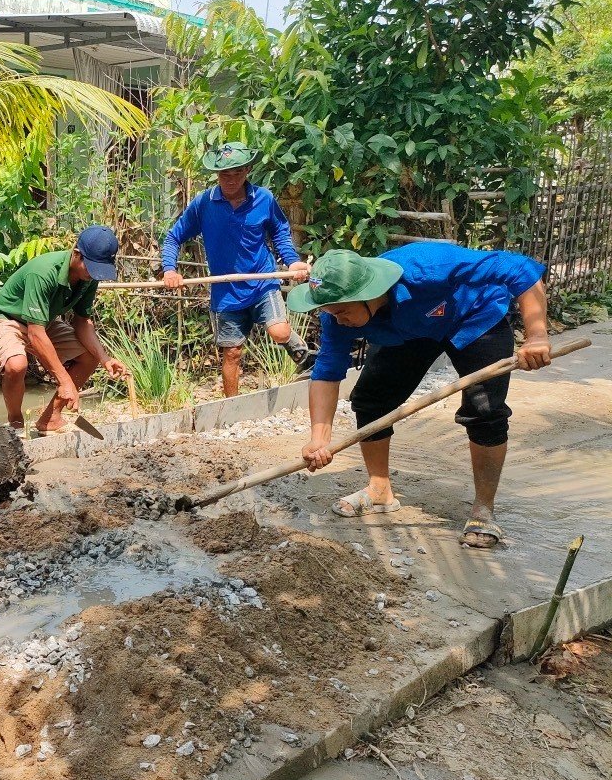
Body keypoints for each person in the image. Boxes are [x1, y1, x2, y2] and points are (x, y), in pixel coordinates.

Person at [288, 244, 551, 548]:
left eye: (342, 311)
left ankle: (483, 509)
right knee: (372, 399)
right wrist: (319, 439)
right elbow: (327, 372)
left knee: (485, 411)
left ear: (368, 294)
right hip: (411, 331)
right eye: (330, 312)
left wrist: (536, 336)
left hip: (474, 317)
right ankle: (379, 491)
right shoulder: (336, 314)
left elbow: (520, 269)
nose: (337, 319)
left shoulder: (427, 268)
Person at [160, 142, 313, 397]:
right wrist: (169, 270)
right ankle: (232, 405)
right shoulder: (204, 203)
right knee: (232, 352)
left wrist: (292, 261)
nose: (231, 180)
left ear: (247, 170)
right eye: (224, 174)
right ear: (217, 174)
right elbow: (173, 237)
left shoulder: (263, 199)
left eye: (237, 173)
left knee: (279, 331)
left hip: (262, 281)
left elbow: (279, 232)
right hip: (226, 290)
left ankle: (303, 354)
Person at [0, 226, 128, 434]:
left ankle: (50, 419)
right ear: (77, 254)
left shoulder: (88, 278)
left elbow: (82, 322)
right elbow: (35, 334)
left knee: (90, 357)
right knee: (16, 365)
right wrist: (65, 381)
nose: (95, 274)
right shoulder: (43, 272)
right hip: (4, 319)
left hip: (42, 322)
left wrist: (105, 359)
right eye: (92, 268)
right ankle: (15, 422)